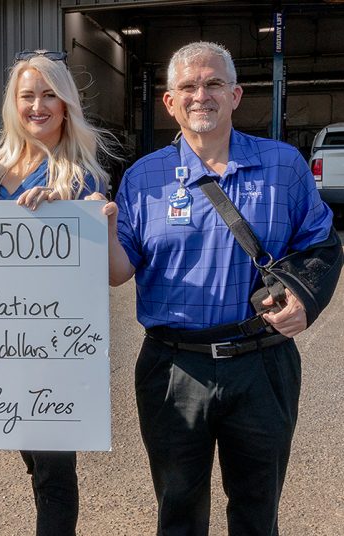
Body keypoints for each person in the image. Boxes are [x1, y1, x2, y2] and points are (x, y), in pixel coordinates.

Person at [95, 41, 336, 535]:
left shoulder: (284, 165)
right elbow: (119, 272)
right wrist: (101, 231)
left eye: (213, 84)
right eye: (187, 86)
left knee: (257, 508)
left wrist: (305, 300)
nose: (200, 95)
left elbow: (321, 243)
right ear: (169, 101)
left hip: (263, 363)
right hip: (173, 367)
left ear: (235, 95)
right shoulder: (142, 178)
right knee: (178, 511)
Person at [0, 49, 114, 536]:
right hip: (0, 343)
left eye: (49, 95)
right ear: (13, 104)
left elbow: (95, 261)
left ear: (66, 104)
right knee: (31, 457)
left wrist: (65, 208)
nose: (37, 106)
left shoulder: (81, 175)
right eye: (27, 95)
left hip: (49, 349)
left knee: (53, 471)